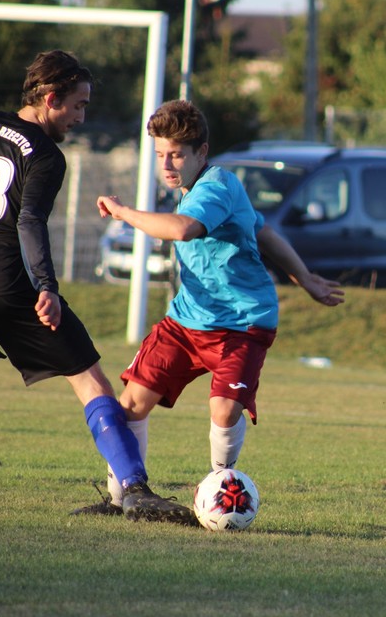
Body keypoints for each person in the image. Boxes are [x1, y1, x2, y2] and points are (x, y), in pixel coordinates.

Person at [0, 50, 193, 524]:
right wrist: (46, 287)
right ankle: (133, 488)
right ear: (50, 99)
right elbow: (29, 220)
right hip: (7, 282)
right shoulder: (45, 154)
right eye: (77, 105)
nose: (80, 117)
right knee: (88, 376)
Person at [76, 99, 344, 515]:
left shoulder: (217, 185)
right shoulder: (193, 191)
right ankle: (123, 499)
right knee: (131, 403)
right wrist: (304, 276)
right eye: (161, 154)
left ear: (202, 152)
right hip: (186, 322)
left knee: (223, 408)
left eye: (177, 154)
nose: (167, 164)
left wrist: (125, 213)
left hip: (243, 322)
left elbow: (183, 231)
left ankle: (221, 490)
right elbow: (263, 230)